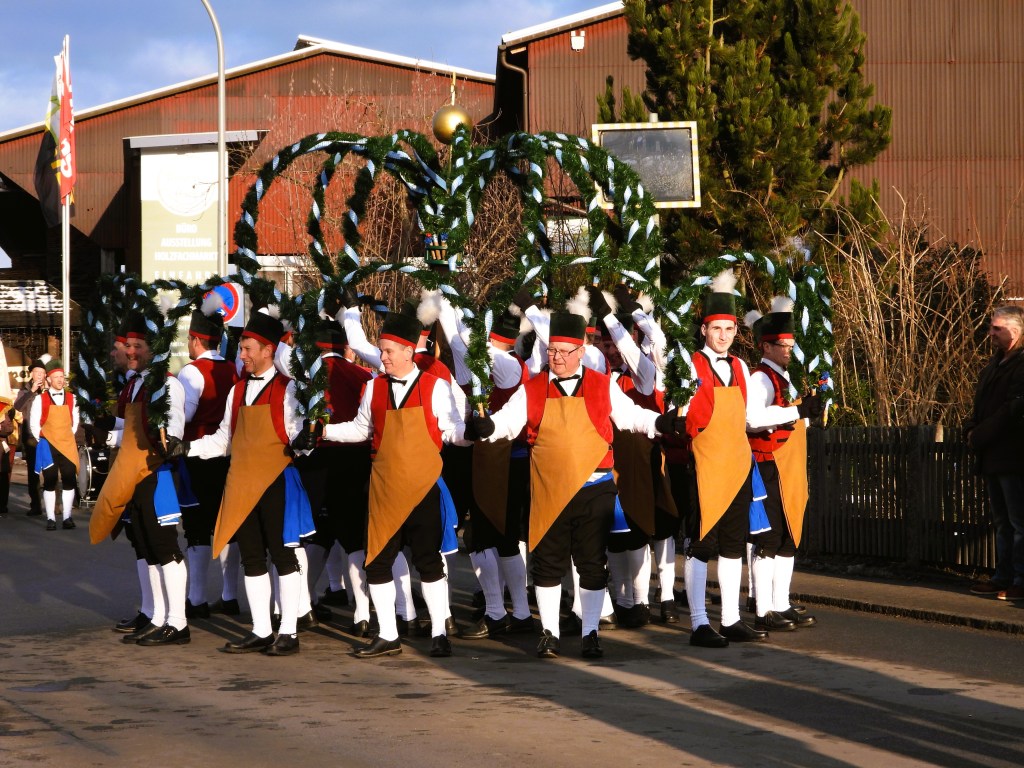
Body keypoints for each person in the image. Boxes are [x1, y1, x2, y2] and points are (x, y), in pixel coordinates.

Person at [470, 308, 684, 659]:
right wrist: (488, 428)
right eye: (551, 350)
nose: (555, 358)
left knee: (591, 564)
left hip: (595, 490)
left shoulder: (603, 386)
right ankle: (550, 634)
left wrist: (661, 422)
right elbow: (508, 421)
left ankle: (590, 632)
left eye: (563, 352)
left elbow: (631, 417)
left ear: (581, 353)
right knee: (548, 565)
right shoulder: (532, 388)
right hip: (549, 489)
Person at [295, 310, 468, 659]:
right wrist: (323, 431)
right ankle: (388, 634)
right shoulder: (373, 386)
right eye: (382, 350)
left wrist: (473, 434)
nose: (382, 357)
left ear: (408, 351)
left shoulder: (435, 386)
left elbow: (452, 432)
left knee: (428, 561)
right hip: (384, 490)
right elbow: (362, 429)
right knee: (376, 563)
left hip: (423, 491)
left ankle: (438, 632)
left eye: (388, 350)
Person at [170, 309, 314, 656]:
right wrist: (187, 447)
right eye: (243, 348)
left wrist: (306, 441)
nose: (243, 355)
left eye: (248, 348)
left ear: (268, 350)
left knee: (283, 556)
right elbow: (224, 440)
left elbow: (299, 437)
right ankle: (262, 629)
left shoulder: (289, 389)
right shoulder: (237, 392)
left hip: (277, 481)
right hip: (241, 483)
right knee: (251, 557)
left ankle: (289, 631)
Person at [90, 313, 190, 647]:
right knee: (144, 545)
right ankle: (155, 614)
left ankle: (177, 621)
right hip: (134, 473)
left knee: (164, 545)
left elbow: (171, 427)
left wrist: (172, 438)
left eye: (137, 345)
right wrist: (104, 427)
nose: (130, 351)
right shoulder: (136, 384)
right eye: (127, 345)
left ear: (152, 348)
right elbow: (130, 430)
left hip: (155, 474)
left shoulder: (166, 384)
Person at [682, 270, 766, 648]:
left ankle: (730, 618)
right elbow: (682, 414)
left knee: (733, 545)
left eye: (729, 330)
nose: (723, 336)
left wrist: (796, 412)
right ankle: (699, 622)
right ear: (704, 330)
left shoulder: (740, 368)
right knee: (702, 544)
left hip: (737, 466)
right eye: (717, 329)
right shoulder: (690, 365)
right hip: (703, 468)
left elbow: (748, 418)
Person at [744, 298, 821, 631]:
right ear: (767, 346)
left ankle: (781, 602)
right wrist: (797, 412)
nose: (789, 350)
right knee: (769, 539)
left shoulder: (787, 379)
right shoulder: (760, 379)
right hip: (767, 465)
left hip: (789, 466)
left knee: (790, 536)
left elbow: (796, 422)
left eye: (792, 345)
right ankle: (763, 610)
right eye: (783, 345)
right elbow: (752, 419)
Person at [176, 301, 241, 619]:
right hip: (228, 457)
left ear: (196, 339)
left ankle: (197, 599)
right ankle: (229, 596)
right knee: (227, 528)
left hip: (198, 456)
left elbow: (183, 416)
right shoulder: (233, 368)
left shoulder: (191, 371)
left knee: (197, 530)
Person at [966, 305, 1024, 601]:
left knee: (1018, 522)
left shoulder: (1020, 365)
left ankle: (1019, 579)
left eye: (996, 328)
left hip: (1013, 454)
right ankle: (1003, 575)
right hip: (993, 454)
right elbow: (982, 403)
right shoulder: (995, 363)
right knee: (1002, 521)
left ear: (1014, 332)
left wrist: (980, 434)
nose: (990, 333)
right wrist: (971, 427)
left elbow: (1011, 410)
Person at [29, 358, 80, 531]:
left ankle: (67, 517)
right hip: (48, 444)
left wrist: (65, 436)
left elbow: (75, 421)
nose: (60, 380)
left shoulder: (72, 398)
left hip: (66, 444)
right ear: (49, 379)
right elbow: (34, 423)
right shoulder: (40, 399)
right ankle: (51, 518)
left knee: (69, 479)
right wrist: (42, 440)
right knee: (49, 481)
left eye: (62, 377)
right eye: (56, 377)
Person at [13, 356, 48, 517]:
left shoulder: (49, 390)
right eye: (37, 372)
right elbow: (17, 407)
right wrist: (32, 391)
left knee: (50, 471)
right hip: (31, 437)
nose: (40, 376)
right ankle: (35, 505)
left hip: (48, 435)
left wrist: (47, 390)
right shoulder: (25, 391)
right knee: (33, 472)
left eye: (42, 373)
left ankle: (52, 503)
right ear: (32, 374)